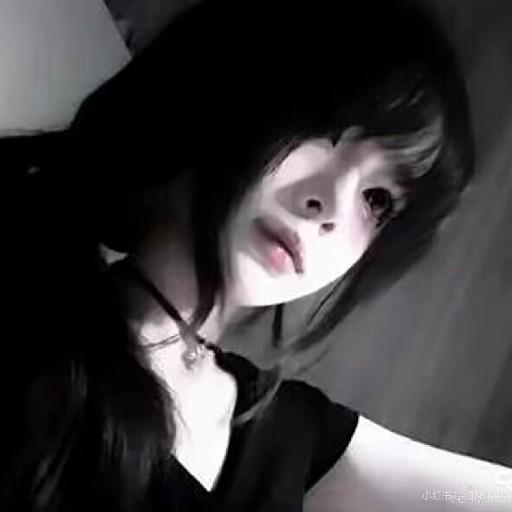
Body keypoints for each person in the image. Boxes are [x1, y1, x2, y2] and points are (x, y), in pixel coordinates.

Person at [0, 0, 510, 510]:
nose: (332, 207)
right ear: (235, 89)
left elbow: (464, 496)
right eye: (325, 128)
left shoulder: (289, 436)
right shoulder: (30, 293)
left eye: (377, 200)